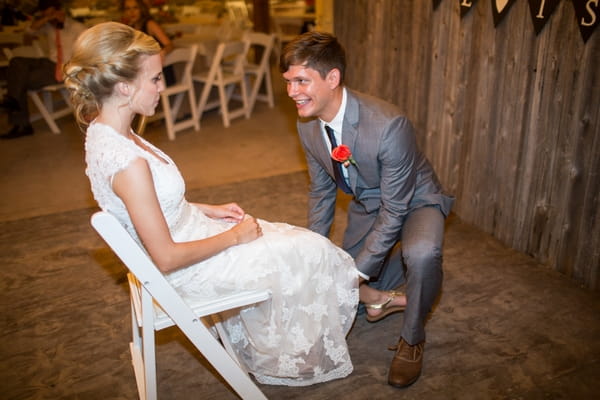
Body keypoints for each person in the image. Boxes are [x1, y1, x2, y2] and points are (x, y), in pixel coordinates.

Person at [65, 21, 401, 386]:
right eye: (156, 79)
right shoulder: (128, 162)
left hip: (191, 231)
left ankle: (369, 295)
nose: (163, 87)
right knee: (310, 250)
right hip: (185, 269)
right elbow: (166, 257)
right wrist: (234, 237)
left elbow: (146, 204)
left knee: (299, 244)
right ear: (125, 86)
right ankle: (370, 297)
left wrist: (205, 209)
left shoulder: (105, 132)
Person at [280, 31, 455, 388]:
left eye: (301, 81)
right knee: (337, 273)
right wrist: (317, 251)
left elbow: (395, 209)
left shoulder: (388, 124)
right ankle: (387, 299)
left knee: (420, 254)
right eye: (288, 82)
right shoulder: (307, 124)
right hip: (370, 203)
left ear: (332, 78)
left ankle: (412, 338)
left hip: (416, 200)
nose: (292, 92)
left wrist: (357, 273)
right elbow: (322, 191)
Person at [0, 0, 85, 139]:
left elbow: (88, 51)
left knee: (18, 80)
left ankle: (21, 122)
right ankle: (13, 100)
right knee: (16, 62)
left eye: (52, 13)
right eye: (47, 15)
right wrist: (47, 18)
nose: (51, 17)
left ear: (60, 11)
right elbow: (28, 31)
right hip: (49, 62)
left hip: (64, 68)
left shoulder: (77, 27)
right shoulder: (48, 26)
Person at [120, 0, 175, 85]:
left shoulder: (150, 24)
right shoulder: (131, 27)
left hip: (159, 73)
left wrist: (162, 52)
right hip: (143, 71)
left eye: (135, 8)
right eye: (128, 9)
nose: (132, 12)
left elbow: (170, 45)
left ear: (141, 9)